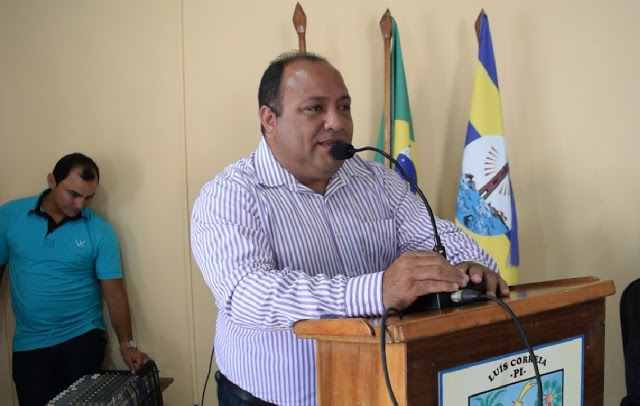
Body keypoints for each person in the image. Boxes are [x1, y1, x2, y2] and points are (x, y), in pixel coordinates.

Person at [190, 51, 510, 406]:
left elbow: (438, 237)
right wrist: (376, 290)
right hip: (268, 399)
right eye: (315, 108)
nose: (336, 122)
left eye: (343, 107)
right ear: (270, 119)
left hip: (373, 390)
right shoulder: (229, 195)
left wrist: (469, 267)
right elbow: (248, 295)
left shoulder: (379, 181)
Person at [0, 153, 150, 405]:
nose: (80, 204)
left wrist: (127, 344)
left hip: (81, 340)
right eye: (73, 194)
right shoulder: (9, 217)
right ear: (52, 181)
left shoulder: (100, 231)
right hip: (30, 345)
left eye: (89, 197)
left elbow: (114, 294)